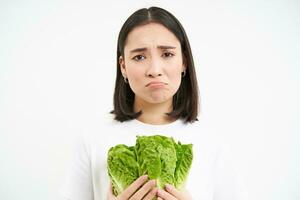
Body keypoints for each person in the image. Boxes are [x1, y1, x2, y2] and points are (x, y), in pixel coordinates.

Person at [60, 6, 248, 200]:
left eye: (167, 54)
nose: (155, 69)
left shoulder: (212, 141)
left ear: (184, 61)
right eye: (139, 57)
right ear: (123, 66)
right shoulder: (92, 137)